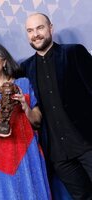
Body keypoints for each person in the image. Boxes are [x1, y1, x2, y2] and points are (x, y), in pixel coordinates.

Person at [19, 12, 92, 200]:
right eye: (30, 30)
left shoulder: (74, 53)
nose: (35, 34)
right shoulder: (25, 68)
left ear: (51, 28)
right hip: (59, 155)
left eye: (40, 28)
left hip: (87, 142)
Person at [0, 42, 51, 200]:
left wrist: (25, 106)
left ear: (4, 61)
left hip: (28, 158)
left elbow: (37, 121)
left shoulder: (23, 84)